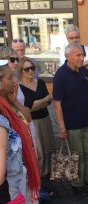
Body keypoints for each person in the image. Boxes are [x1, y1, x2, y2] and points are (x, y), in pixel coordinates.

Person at [53, 43, 88, 197]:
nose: (82, 58)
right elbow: (57, 104)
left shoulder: (84, 70)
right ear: (68, 57)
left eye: (82, 54)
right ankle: (77, 185)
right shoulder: (61, 75)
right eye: (78, 55)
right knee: (77, 155)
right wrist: (62, 128)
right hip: (73, 123)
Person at [0, 64, 40, 204]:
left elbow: (27, 118)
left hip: (15, 179)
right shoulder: (1, 119)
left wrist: (14, 100)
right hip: (8, 193)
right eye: (10, 77)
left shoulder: (7, 104)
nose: (15, 81)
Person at [17, 57, 56, 191]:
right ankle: (38, 177)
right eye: (27, 69)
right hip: (32, 122)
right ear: (20, 71)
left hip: (45, 119)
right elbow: (26, 109)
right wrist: (42, 101)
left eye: (32, 68)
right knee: (37, 150)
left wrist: (37, 104)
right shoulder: (19, 87)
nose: (30, 71)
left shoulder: (40, 82)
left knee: (48, 147)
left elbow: (49, 101)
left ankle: (48, 174)